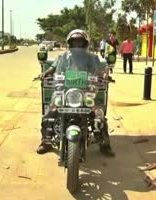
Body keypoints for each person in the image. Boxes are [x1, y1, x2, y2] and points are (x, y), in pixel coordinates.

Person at [36, 29, 115, 157]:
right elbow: (54, 67)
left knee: (98, 116)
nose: (77, 44)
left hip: (86, 93)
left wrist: (105, 75)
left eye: (80, 41)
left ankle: (104, 145)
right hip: (63, 92)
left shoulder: (92, 57)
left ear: (85, 43)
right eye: (75, 41)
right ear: (70, 43)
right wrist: (45, 73)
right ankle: (46, 142)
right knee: (49, 114)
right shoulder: (62, 56)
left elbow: (100, 70)